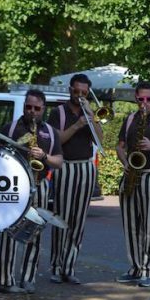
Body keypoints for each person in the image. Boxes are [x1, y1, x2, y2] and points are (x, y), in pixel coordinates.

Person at [0, 89, 64, 294]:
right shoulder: (10, 128)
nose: (32, 111)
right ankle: (5, 280)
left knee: (34, 231)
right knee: (8, 231)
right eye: (28, 107)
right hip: (14, 185)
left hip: (40, 183)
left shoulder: (51, 132)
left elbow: (59, 162)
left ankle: (28, 277)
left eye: (37, 108)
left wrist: (44, 156)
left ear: (43, 109)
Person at [48, 74, 104, 284]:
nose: (79, 95)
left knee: (79, 220)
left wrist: (92, 116)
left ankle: (70, 266)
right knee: (61, 217)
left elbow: (100, 139)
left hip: (85, 168)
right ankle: (56, 265)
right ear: (70, 90)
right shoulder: (58, 112)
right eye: (76, 91)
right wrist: (78, 125)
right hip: (65, 167)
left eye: (84, 92)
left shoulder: (89, 112)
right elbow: (57, 140)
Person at [116, 81, 150, 287]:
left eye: (149, 99)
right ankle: (134, 268)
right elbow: (120, 146)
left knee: (149, 225)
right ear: (136, 98)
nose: (145, 103)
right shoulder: (130, 119)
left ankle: (148, 269)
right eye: (141, 99)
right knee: (130, 224)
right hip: (131, 174)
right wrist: (125, 163)